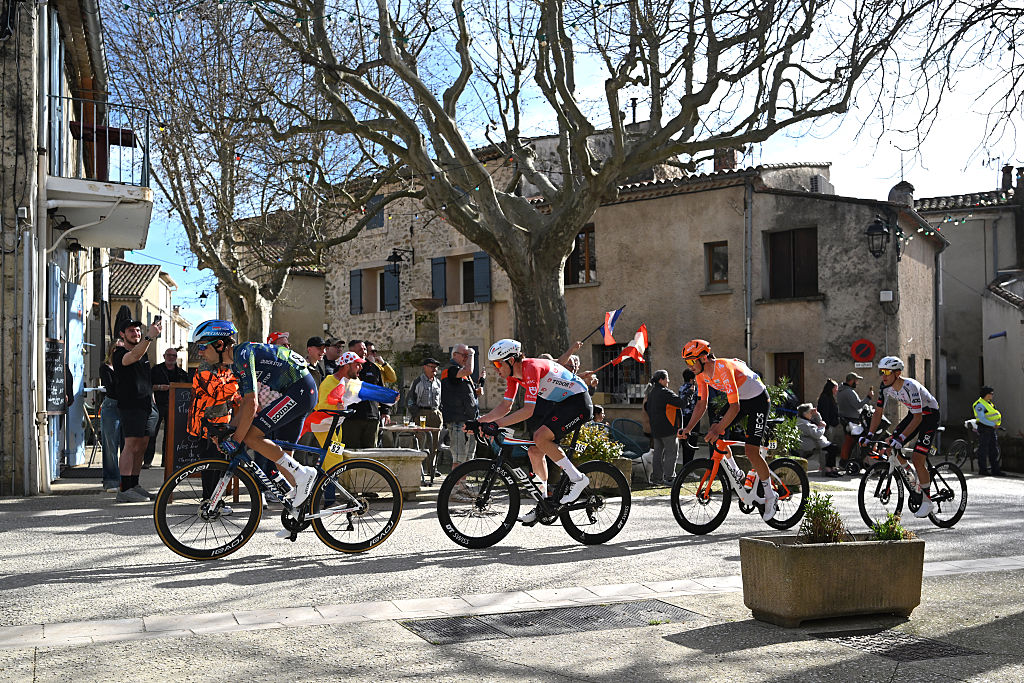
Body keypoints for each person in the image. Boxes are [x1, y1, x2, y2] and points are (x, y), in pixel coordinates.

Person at [193, 320, 320, 510]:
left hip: (300, 390)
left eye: (202, 346)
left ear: (219, 345)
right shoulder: (237, 362)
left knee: (252, 436)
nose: (200, 352)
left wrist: (235, 439)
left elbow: (252, 404)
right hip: (299, 391)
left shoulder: (242, 355)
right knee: (283, 460)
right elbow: (245, 404)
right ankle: (302, 513)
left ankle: (304, 475)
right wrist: (230, 430)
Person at [479, 339, 593, 525]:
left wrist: (497, 425)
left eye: (499, 363)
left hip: (578, 401)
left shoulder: (530, 368)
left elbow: (528, 411)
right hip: (563, 403)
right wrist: (480, 422)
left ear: (511, 360)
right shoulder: (513, 376)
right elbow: (505, 406)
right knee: (534, 450)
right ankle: (543, 504)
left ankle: (577, 478)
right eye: (494, 364)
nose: (496, 368)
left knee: (540, 437)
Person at [678, 339, 778, 522]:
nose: (690, 366)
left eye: (692, 361)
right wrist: (688, 428)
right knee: (717, 429)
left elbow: (735, 408)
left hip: (758, 401)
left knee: (750, 451)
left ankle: (770, 496)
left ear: (703, 358)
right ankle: (736, 472)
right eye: (687, 362)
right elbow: (701, 403)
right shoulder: (701, 375)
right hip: (740, 400)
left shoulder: (723, 369)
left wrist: (717, 428)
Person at [861, 356, 941, 518]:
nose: (883, 376)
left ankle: (927, 501)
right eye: (881, 372)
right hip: (915, 414)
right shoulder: (884, 388)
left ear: (897, 373)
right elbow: (878, 412)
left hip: (929, 415)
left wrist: (901, 438)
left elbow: (919, 418)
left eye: (887, 372)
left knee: (918, 458)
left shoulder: (910, 386)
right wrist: (869, 434)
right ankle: (912, 478)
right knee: (890, 446)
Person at [112, 318, 162, 503]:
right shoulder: (119, 353)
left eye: (138, 331)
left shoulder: (143, 352)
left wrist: (153, 402)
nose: (136, 333)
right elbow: (132, 357)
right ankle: (124, 489)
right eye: (131, 331)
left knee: (142, 446)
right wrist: (149, 337)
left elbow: (145, 378)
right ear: (122, 335)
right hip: (131, 406)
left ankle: (134, 485)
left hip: (148, 406)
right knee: (131, 445)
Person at [144, 347, 189, 469]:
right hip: (157, 405)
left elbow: (188, 386)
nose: (171, 358)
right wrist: (159, 387)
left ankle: (166, 461)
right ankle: (147, 461)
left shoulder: (181, 373)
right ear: (164, 356)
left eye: (174, 356)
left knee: (170, 435)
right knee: (152, 433)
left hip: (174, 406)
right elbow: (146, 386)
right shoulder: (156, 370)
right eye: (169, 355)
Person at [342, 339, 391, 448]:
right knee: (351, 450)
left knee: (370, 451)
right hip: (352, 418)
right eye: (360, 349)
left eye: (364, 349)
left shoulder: (374, 368)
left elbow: (380, 390)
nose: (364, 351)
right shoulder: (345, 368)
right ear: (351, 351)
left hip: (372, 417)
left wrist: (385, 411)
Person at [441, 344, 483, 469]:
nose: (466, 358)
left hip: (468, 420)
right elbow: (469, 370)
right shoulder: (451, 369)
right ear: (454, 355)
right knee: (458, 459)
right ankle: (456, 487)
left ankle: (462, 486)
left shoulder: (461, 371)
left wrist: (476, 392)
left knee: (468, 458)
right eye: (464, 355)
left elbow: (462, 392)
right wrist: (472, 353)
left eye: (467, 355)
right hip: (458, 420)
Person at [645, 370, 689, 485]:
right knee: (671, 453)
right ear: (661, 380)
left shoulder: (651, 393)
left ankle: (657, 478)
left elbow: (646, 407)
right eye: (667, 378)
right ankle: (669, 478)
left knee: (657, 454)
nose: (668, 381)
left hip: (656, 429)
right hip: (668, 428)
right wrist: (689, 394)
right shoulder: (664, 392)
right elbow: (681, 403)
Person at [99, 342, 123, 492]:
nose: (118, 352)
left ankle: (126, 481)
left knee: (128, 446)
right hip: (112, 405)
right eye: (116, 349)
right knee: (110, 446)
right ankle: (111, 481)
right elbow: (112, 388)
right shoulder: (106, 368)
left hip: (127, 406)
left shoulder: (128, 365)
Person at [837, 372, 875, 469]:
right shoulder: (849, 392)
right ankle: (844, 463)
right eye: (856, 381)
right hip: (850, 420)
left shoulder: (842, 390)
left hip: (847, 419)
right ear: (851, 381)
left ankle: (845, 462)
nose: (857, 383)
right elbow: (858, 405)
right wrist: (868, 397)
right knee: (849, 441)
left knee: (849, 441)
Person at [796, 403, 842, 476]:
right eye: (810, 412)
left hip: (816, 441)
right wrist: (822, 427)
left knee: (834, 448)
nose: (811, 414)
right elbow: (817, 434)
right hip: (812, 443)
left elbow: (819, 422)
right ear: (805, 414)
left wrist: (817, 414)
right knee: (833, 448)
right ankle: (828, 469)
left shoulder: (804, 420)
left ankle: (832, 468)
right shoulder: (803, 424)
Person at [973, 386, 1003, 476]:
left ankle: (995, 470)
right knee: (983, 450)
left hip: (991, 429)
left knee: (993, 450)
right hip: (985, 429)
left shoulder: (989, 403)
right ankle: (983, 470)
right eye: (991, 393)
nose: (992, 395)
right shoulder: (979, 404)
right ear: (986, 394)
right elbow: (982, 418)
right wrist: (992, 425)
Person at [816, 378, 841, 460]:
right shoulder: (825, 398)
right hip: (828, 426)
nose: (836, 390)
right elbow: (825, 413)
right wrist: (827, 426)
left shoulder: (828, 397)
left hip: (830, 425)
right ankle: (825, 464)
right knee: (827, 447)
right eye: (835, 388)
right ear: (831, 389)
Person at [678, 369, 698, 466]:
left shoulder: (681, 388)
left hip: (683, 417)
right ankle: (689, 466)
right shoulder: (693, 389)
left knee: (684, 442)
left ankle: (684, 465)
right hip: (693, 417)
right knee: (692, 443)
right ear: (692, 379)